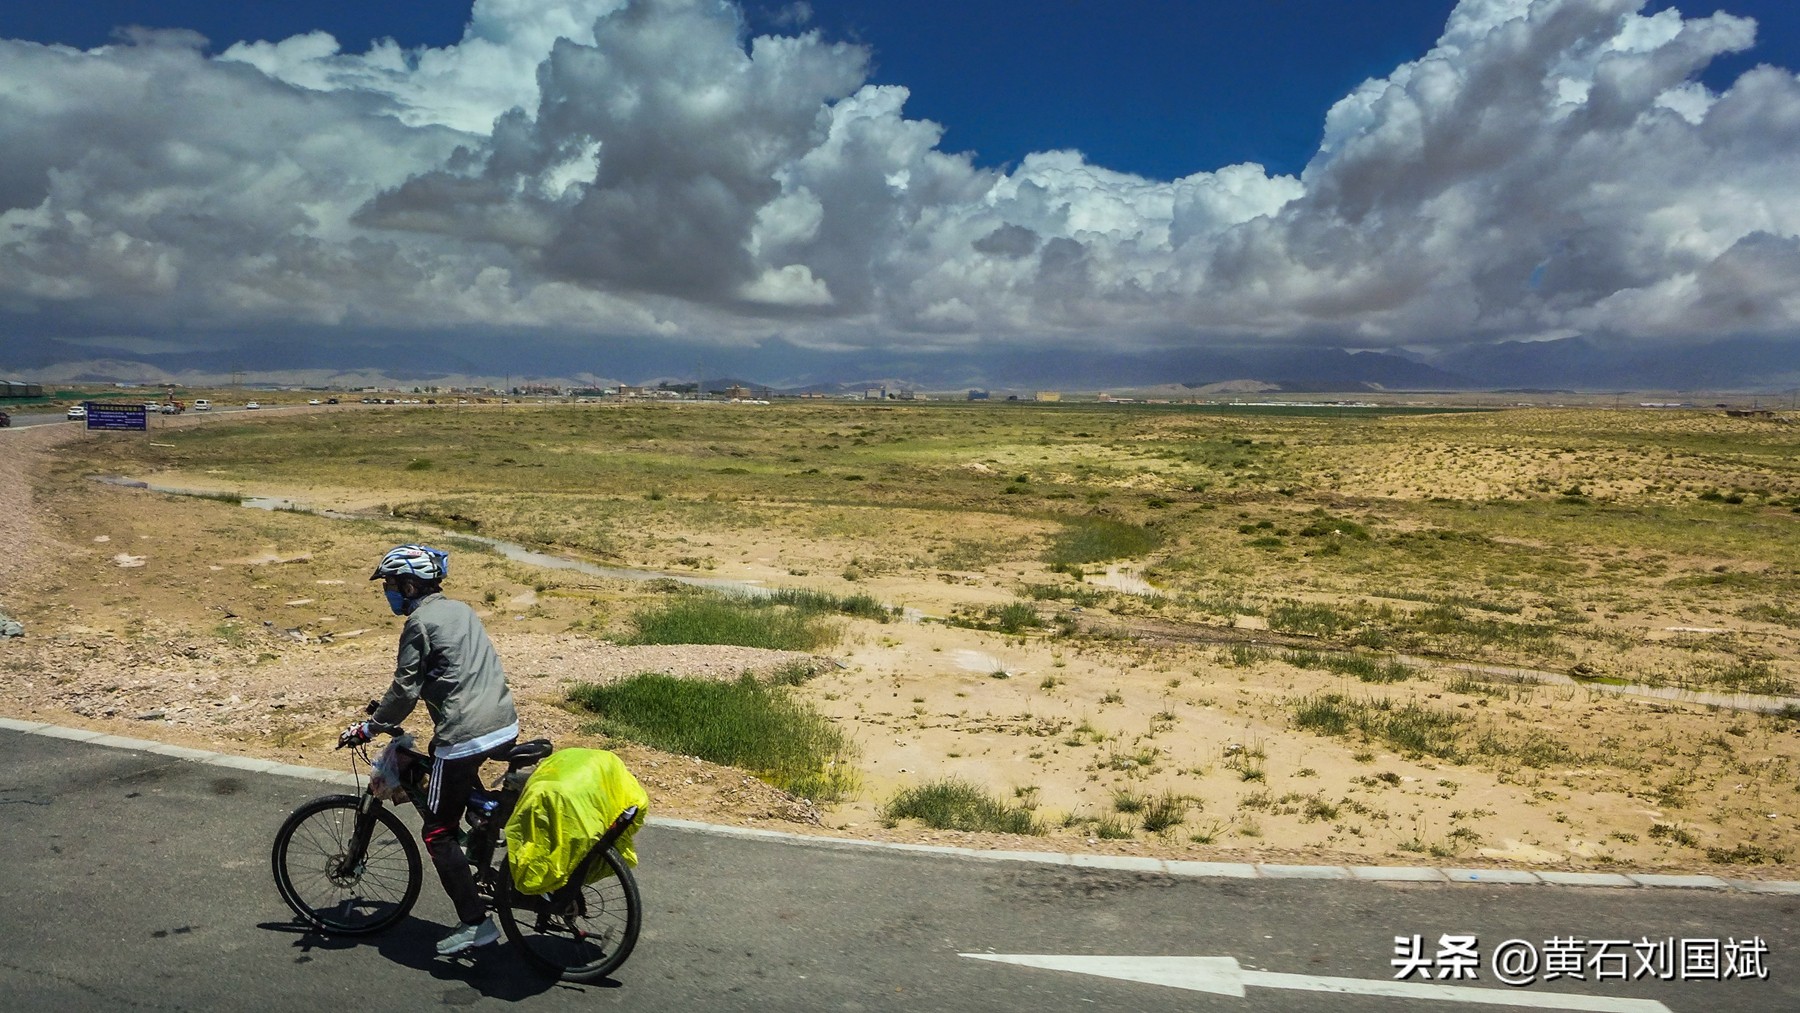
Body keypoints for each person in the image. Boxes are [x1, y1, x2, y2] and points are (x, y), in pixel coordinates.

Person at [339, 544, 520, 956]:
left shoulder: (418, 624)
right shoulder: (461, 610)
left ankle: (476, 924)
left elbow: (404, 690)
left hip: (467, 732)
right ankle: (482, 829)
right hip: (502, 721)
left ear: (408, 584)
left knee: (437, 831)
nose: (388, 592)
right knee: (447, 765)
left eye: (389, 585)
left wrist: (369, 727)